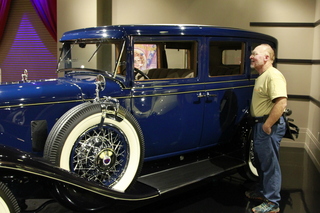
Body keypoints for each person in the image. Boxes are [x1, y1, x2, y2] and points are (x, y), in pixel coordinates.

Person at [246, 44, 287, 213]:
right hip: (261, 125)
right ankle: (263, 192)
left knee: (270, 164)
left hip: (268, 126)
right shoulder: (263, 76)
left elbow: (281, 102)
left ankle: (272, 202)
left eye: (254, 54)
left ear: (266, 57)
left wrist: (267, 125)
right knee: (262, 161)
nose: (251, 57)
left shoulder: (273, 76)